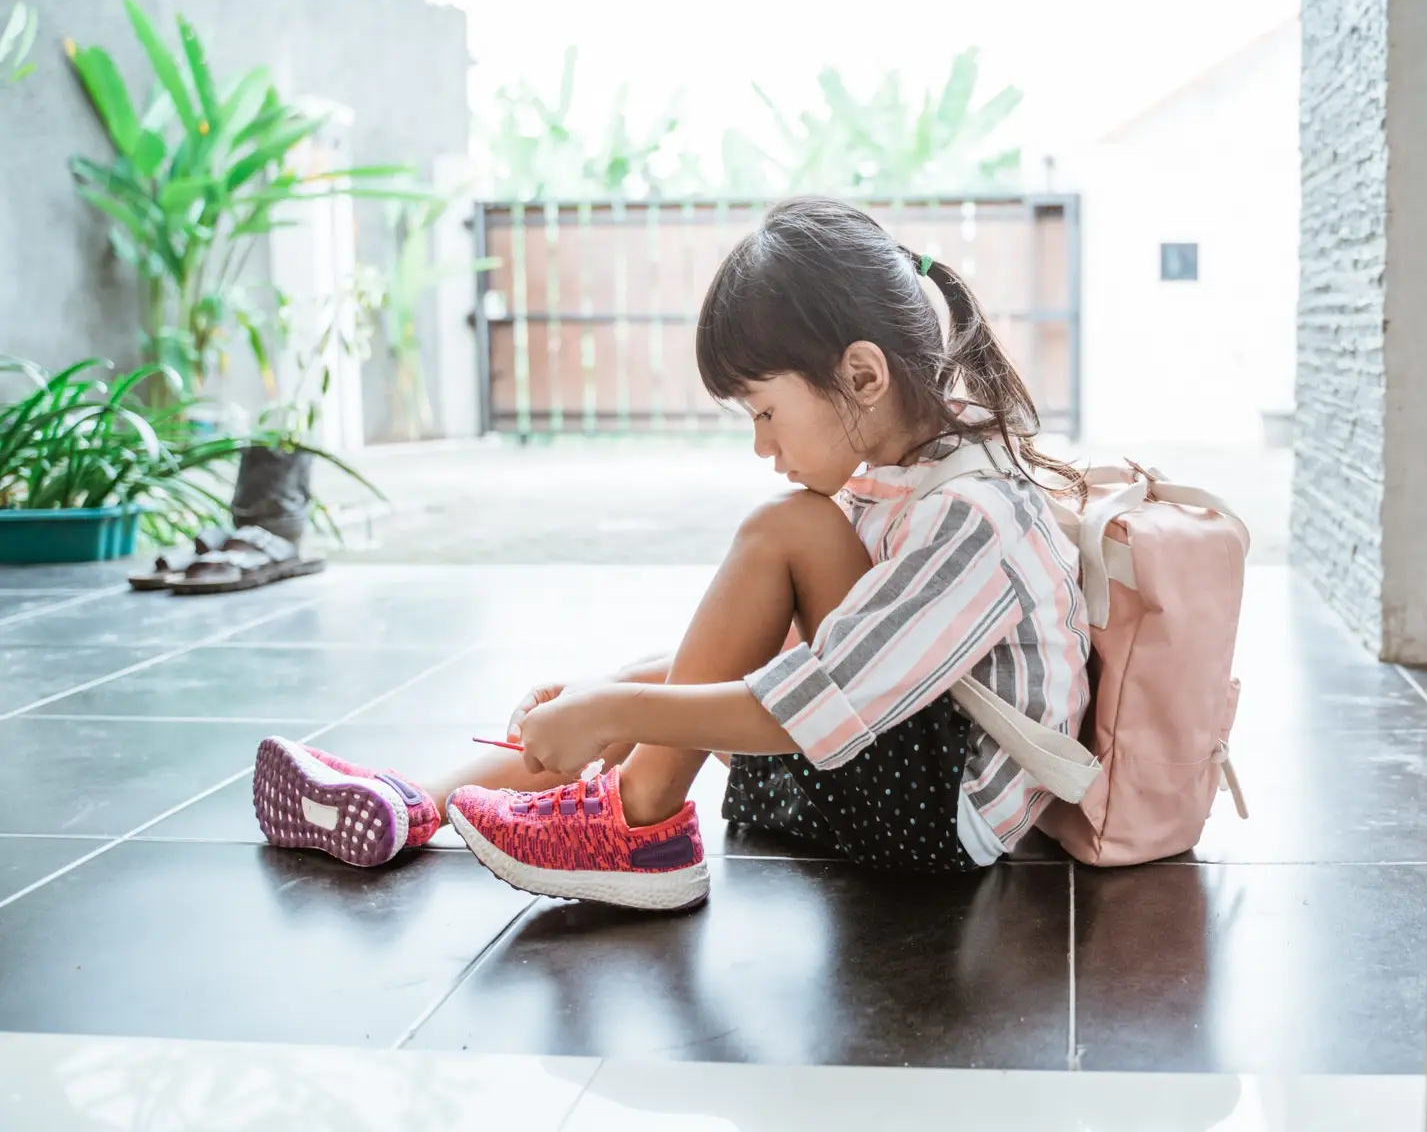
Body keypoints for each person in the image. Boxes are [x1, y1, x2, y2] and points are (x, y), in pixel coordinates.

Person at [251, 197, 1091, 910]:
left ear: (863, 376)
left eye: (764, 412)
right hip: (898, 771)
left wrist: (620, 710)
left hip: (943, 816)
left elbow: (822, 698)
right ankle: (411, 805)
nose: (764, 445)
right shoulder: (910, 477)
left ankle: (641, 820)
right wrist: (617, 687)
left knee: (783, 529)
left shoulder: (972, 518)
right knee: (683, 662)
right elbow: (819, 659)